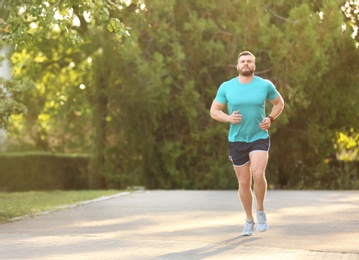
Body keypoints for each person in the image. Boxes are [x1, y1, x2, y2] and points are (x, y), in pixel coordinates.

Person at [210, 51, 284, 236]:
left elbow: (279, 103)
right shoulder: (227, 87)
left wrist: (271, 118)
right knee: (243, 183)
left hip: (259, 136)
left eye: (249, 61)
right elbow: (214, 110)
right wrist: (228, 118)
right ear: (237, 66)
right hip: (237, 140)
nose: (245, 64)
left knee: (258, 174)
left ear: (254, 66)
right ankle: (249, 220)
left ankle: (260, 211)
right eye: (242, 61)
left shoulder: (264, 85)